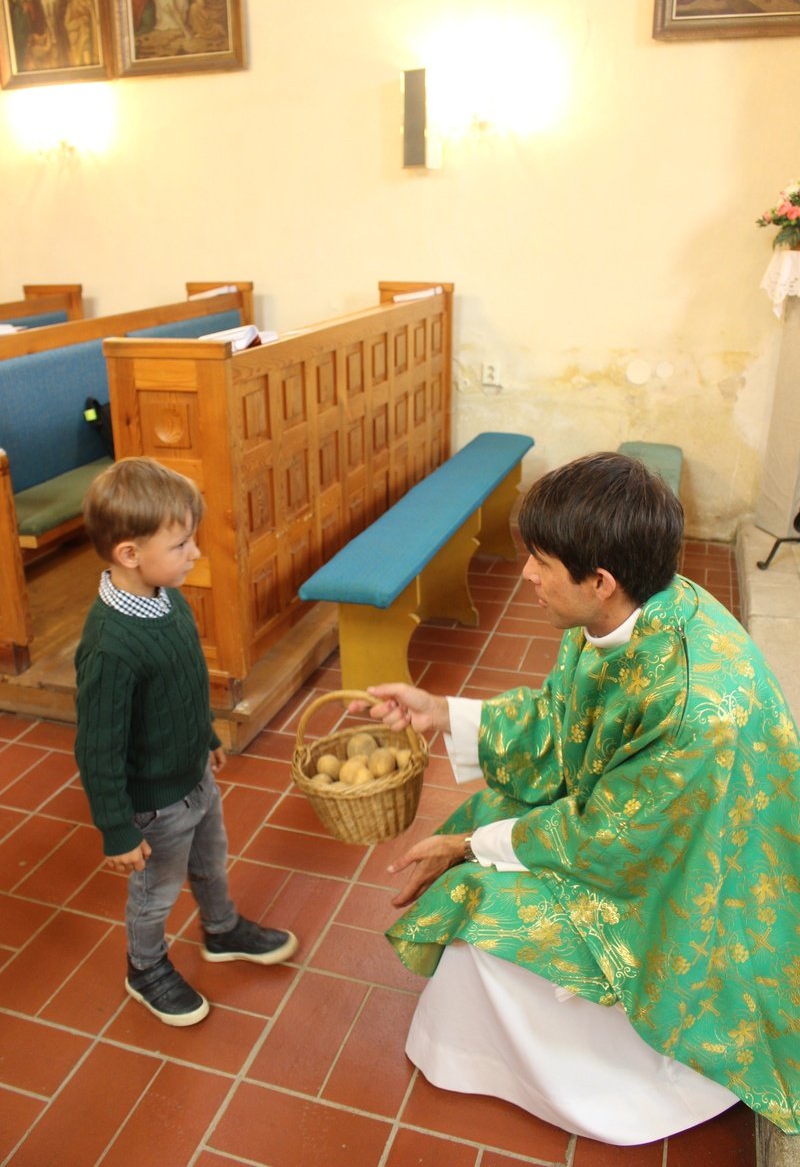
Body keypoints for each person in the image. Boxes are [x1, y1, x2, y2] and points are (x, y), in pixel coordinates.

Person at [352, 451, 800, 1144]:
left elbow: (608, 845)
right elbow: (563, 719)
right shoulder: (634, 611)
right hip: (643, 828)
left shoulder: (692, 709)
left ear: (600, 580)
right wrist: (440, 712)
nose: (526, 576)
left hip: (696, 889)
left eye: (540, 562)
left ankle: (587, 1079)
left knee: (478, 890)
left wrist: (468, 849)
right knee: (491, 816)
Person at [75, 457, 297, 1027]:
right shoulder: (111, 647)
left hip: (194, 775)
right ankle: (145, 967)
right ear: (130, 553)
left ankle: (221, 930)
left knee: (211, 861)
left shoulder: (166, 597)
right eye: (180, 545)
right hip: (154, 805)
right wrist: (116, 829)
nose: (194, 553)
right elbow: (97, 749)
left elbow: (185, 680)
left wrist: (205, 734)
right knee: (156, 892)